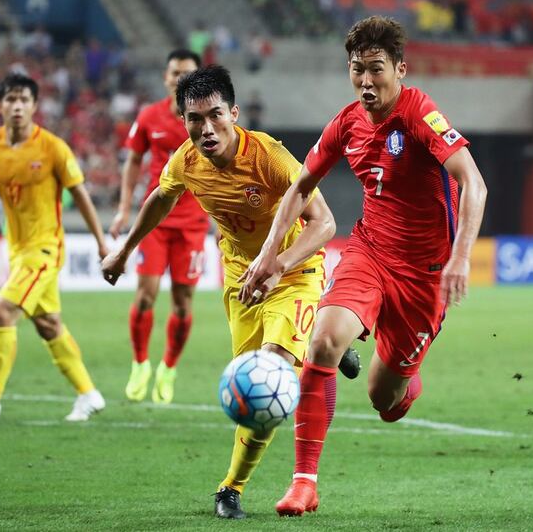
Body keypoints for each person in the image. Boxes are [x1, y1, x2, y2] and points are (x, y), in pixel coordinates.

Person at [239, 16, 488, 515]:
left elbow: (474, 184)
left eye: (377, 70)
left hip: (425, 277)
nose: (367, 81)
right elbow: (299, 187)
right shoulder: (347, 122)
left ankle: (403, 377)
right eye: (358, 70)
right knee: (324, 340)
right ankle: (303, 485)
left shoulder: (420, 114)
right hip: (370, 252)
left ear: (400, 68)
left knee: (385, 401)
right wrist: (269, 255)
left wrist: (461, 256)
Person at [101, 65, 360, 519]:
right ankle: (329, 347)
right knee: (250, 390)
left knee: (270, 376)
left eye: (215, 115)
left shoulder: (270, 157)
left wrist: (278, 265)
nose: (205, 128)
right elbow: (161, 197)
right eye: (194, 119)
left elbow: (325, 223)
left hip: (293, 270)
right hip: (241, 281)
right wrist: (124, 252)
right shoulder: (186, 161)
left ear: (234, 113)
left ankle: (230, 488)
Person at [0, 73, 109, 423]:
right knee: (48, 324)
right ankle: (89, 393)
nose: (17, 106)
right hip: (17, 251)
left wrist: (100, 243)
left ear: (35, 105)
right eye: (10, 99)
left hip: (46, 248)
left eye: (24, 100)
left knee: (2, 312)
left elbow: (80, 195)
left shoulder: (52, 147)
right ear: (0, 104)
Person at [109, 49, 209, 404]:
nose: (179, 79)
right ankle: (140, 365)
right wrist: (123, 208)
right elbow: (133, 160)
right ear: (166, 78)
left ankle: (168, 367)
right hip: (155, 220)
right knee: (145, 293)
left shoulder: (206, 119)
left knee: (182, 303)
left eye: (187, 74)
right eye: (175, 73)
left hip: (194, 225)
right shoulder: (149, 116)